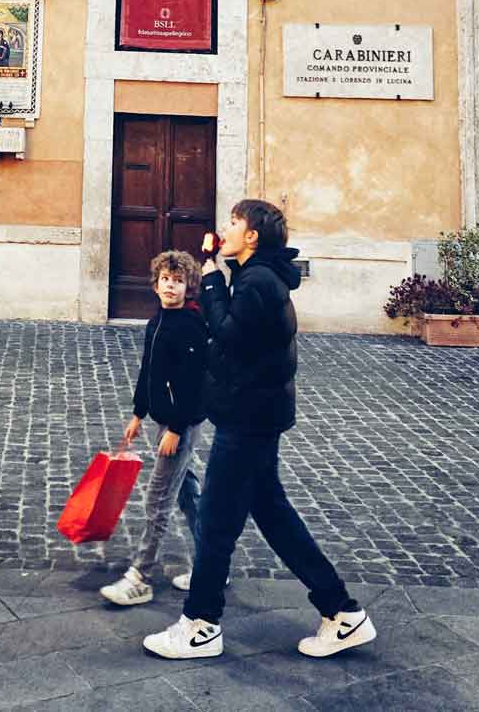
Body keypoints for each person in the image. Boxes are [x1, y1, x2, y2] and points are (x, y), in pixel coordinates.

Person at [143, 199, 376, 661]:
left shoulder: (258, 282)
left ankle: (201, 624)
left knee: (216, 520)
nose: (225, 229)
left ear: (252, 236)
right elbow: (237, 335)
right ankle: (341, 612)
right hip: (252, 413)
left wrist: (210, 279)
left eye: (233, 223)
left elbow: (227, 333)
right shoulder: (255, 279)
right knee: (271, 514)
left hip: (247, 418)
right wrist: (218, 279)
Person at [100, 250, 207, 607]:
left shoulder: (191, 325)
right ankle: (214, 565)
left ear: (188, 286)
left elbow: (193, 384)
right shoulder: (156, 321)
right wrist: (137, 414)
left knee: (157, 499)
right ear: (156, 283)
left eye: (178, 281)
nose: (170, 287)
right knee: (188, 495)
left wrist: (176, 429)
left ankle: (140, 577)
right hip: (165, 421)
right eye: (165, 280)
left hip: (181, 425)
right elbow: (149, 372)